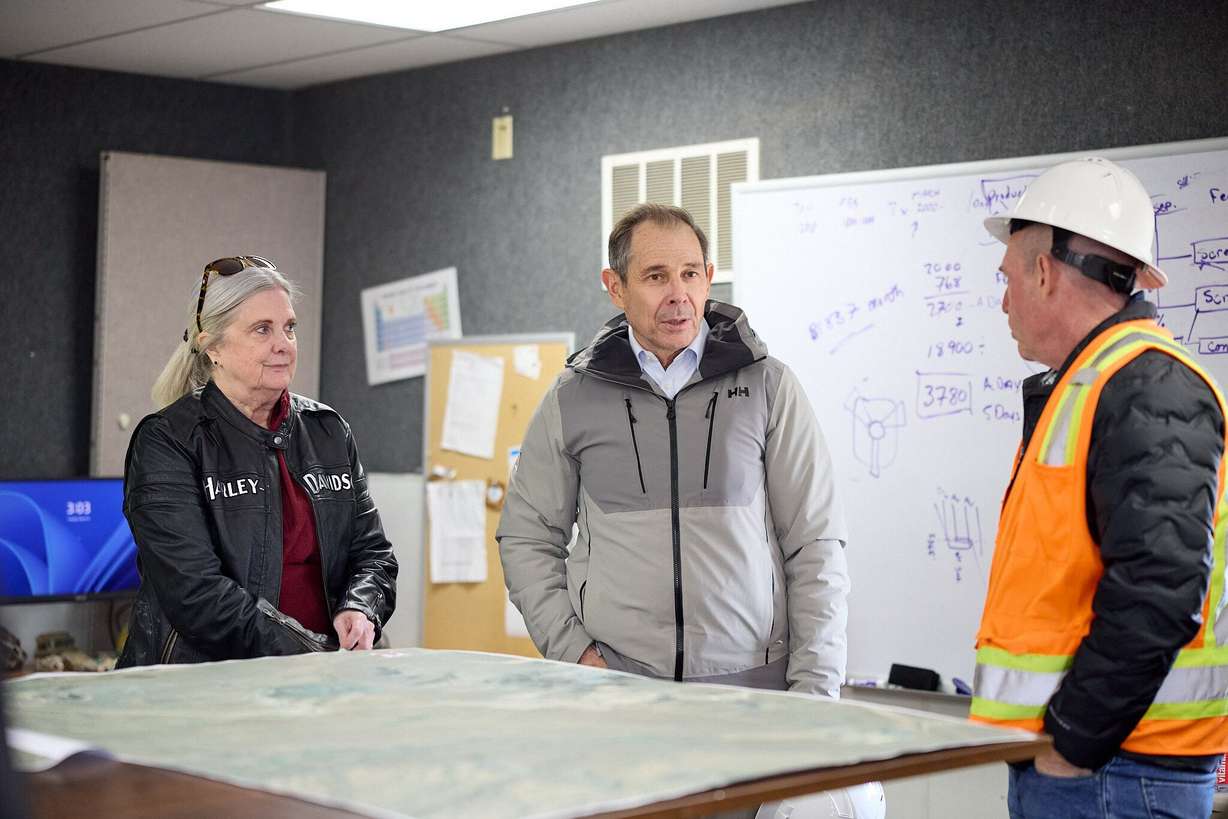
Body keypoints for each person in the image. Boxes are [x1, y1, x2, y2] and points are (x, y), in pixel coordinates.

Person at [497, 203, 849, 697]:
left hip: (754, 689)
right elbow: (526, 537)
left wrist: (816, 685)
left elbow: (816, 543)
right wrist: (574, 652)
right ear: (616, 286)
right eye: (656, 276)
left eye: (689, 274)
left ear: (708, 278)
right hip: (618, 690)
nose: (678, 295)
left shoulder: (769, 387)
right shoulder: (571, 398)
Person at [970, 158, 1228, 817]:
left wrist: (1074, 741)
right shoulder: (1100, 382)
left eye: (1007, 278)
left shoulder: (1144, 383)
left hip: (1113, 773)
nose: (1003, 301)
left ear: (1044, 272)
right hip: (1095, 768)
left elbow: (1160, 587)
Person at [117, 256, 397, 667]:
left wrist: (360, 609)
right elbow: (196, 593)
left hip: (326, 678)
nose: (283, 343)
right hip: (207, 682)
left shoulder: (328, 431)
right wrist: (310, 652)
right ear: (213, 347)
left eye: (289, 327)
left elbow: (373, 554)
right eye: (261, 330)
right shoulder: (168, 441)